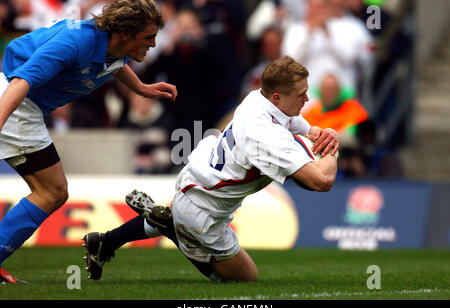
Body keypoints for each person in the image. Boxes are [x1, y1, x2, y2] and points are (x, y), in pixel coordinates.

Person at [82, 56, 339, 282]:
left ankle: (106, 242)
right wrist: (332, 146)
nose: (308, 98)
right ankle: (172, 229)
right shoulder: (267, 137)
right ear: (277, 97)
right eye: (302, 94)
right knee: (246, 277)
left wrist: (316, 132)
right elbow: (321, 181)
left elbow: (293, 120)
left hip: (195, 180)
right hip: (203, 215)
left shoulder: (256, 100)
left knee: (178, 212)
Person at [0, 0, 178, 284]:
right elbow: (22, 81)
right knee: (52, 191)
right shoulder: (74, 42)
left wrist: (141, 88)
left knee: (51, 191)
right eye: (148, 37)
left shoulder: (111, 45)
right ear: (125, 35)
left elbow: (114, 64)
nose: (154, 44)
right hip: (16, 102)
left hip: (23, 106)